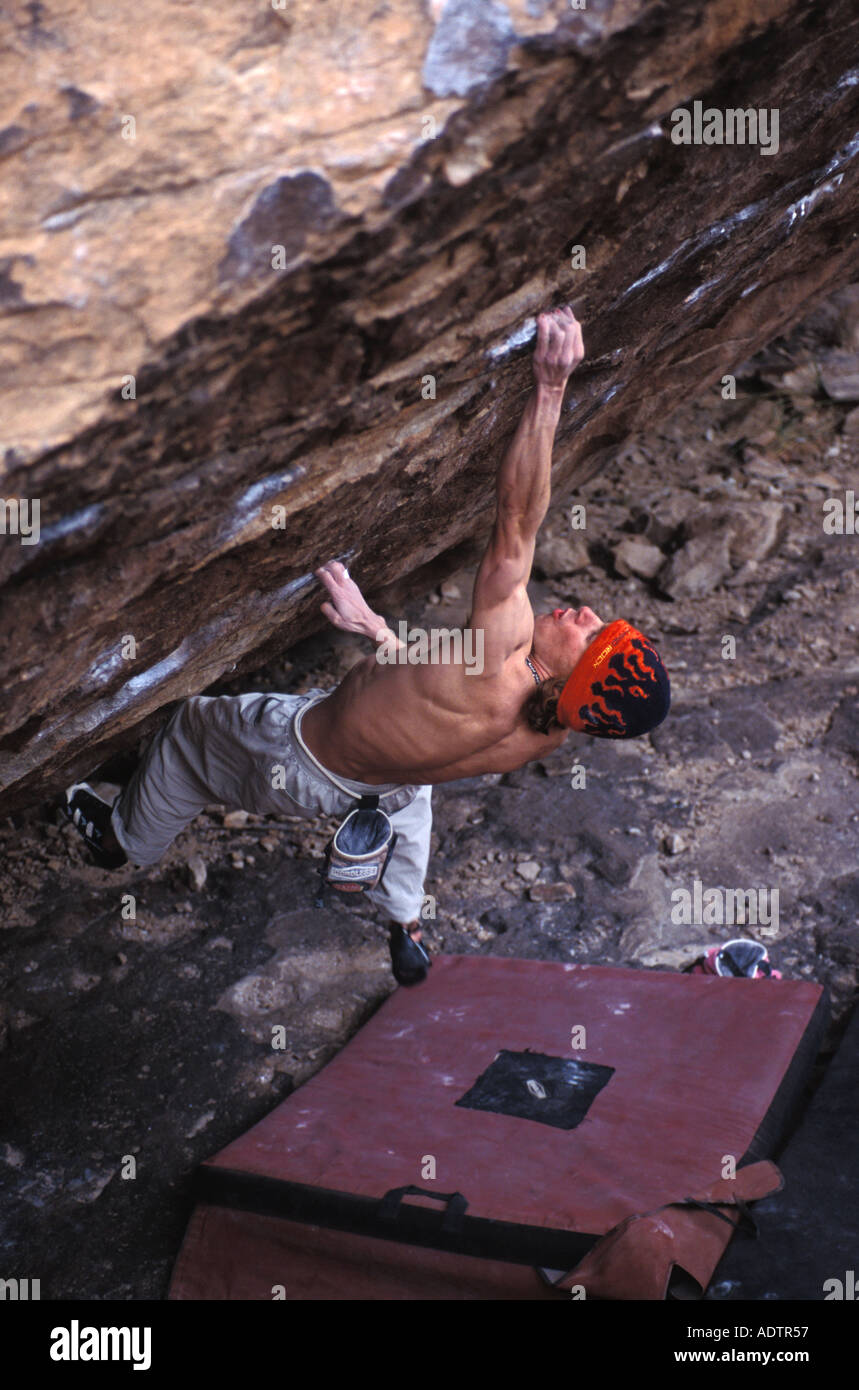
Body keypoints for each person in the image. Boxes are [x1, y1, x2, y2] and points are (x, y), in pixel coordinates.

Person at [65, 306, 669, 984]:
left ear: (573, 676)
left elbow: (517, 518)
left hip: (296, 757)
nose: (586, 611)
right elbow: (428, 691)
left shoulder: (500, 651)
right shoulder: (549, 730)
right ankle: (403, 922)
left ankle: (120, 840)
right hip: (379, 783)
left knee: (186, 728)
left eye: (591, 633)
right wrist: (378, 632)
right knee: (412, 796)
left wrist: (552, 387)